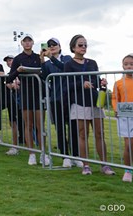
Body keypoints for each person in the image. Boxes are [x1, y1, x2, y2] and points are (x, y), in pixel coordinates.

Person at [64, 34, 115, 176]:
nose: (83, 47)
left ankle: (105, 165)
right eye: (80, 45)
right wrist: (81, 84)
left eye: (85, 45)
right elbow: (66, 84)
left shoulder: (92, 62)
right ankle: (85, 165)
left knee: (100, 133)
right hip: (80, 103)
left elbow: (95, 80)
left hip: (94, 102)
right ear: (73, 47)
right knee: (83, 134)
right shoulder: (69, 64)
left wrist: (102, 83)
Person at [6, 34, 48, 166]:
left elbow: (45, 74)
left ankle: (43, 153)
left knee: (40, 125)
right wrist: (18, 70)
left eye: (29, 41)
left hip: (38, 94)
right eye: (25, 41)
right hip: (25, 95)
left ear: (33, 43)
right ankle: (31, 154)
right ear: (22, 43)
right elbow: (9, 78)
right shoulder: (18, 59)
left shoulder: (37, 57)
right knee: (28, 125)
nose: (27, 43)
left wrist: (42, 60)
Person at [40, 37, 74, 168]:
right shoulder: (48, 64)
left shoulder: (67, 59)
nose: (52, 46)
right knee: (60, 128)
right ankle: (65, 155)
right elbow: (44, 77)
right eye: (49, 45)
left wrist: (51, 58)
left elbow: (64, 68)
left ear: (60, 46)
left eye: (54, 44)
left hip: (70, 97)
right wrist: (42, 61)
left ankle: (75, 155)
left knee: (73, 127)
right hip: (56, 98)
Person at [112, 53, 133, 182]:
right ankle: (127, 170)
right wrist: (115, 109)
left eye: (131, 64)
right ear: (122, 66)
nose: (129, 66)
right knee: (129, 144)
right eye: (126, 64)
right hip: (126, 116)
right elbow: (114, 97)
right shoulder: (119, 83)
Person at [3, 55, 23, 155]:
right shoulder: (9, 74)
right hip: (13, 101)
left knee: (27, 123)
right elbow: (8, 83)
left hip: (24, 100)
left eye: (10, 60)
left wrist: (18, 85)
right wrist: (12, 85)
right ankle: (15, 146)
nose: (9, 62)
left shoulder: (21, 71)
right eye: (7, 61)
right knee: (13, 122)